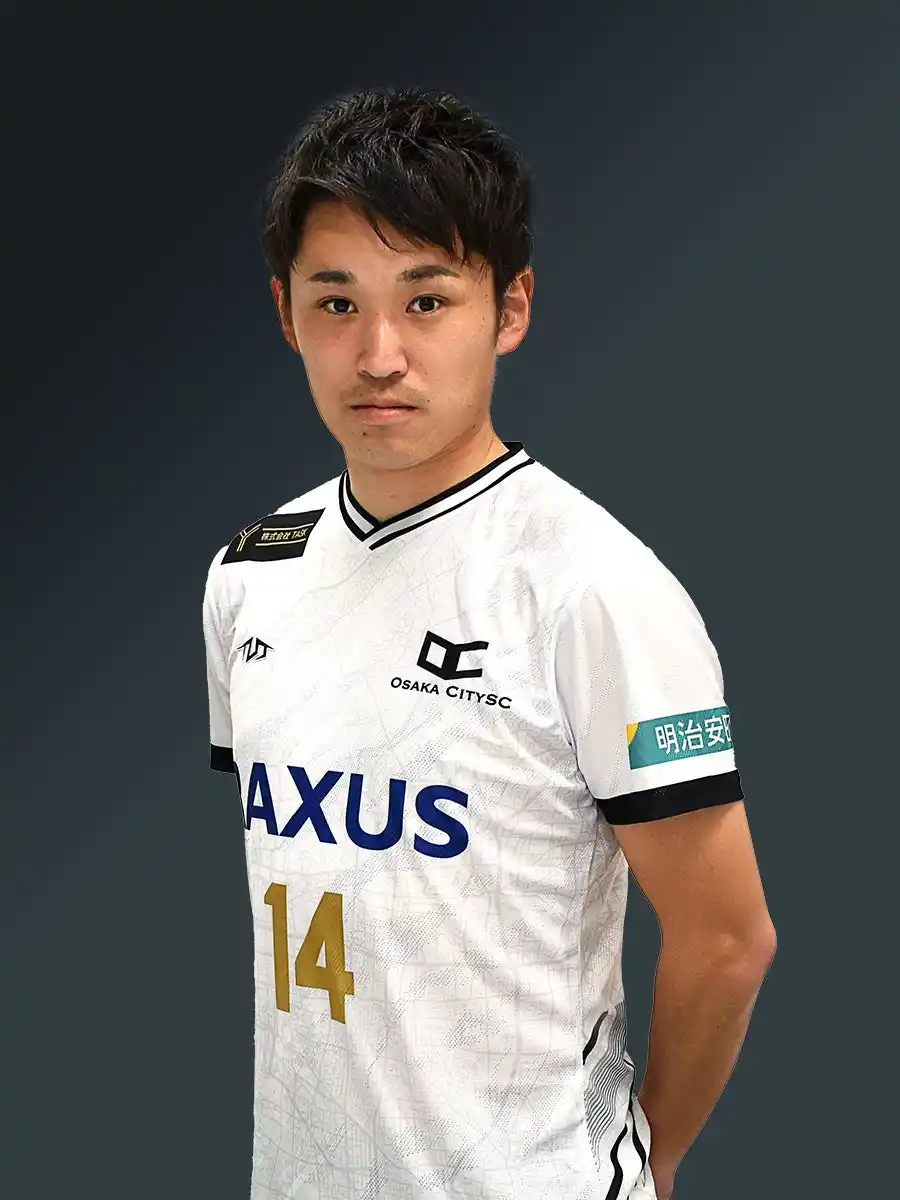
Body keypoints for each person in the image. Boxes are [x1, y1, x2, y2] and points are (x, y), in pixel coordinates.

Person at [202, 86, 776, 1200]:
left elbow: (727, 939)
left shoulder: (596, 587)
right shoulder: (247, 574)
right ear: (285, 314)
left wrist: (648, 1163)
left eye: (427, 300)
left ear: (510, 309)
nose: (378, 354)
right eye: (337, 303)